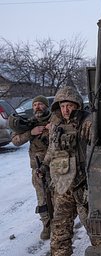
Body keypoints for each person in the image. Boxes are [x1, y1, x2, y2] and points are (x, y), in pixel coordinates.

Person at [39, 86, 92, 256]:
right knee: (59, 223)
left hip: (83, 184)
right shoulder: (56, 125)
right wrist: (44, 167)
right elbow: (52, 151)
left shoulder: (87, 123)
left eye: (69, 105)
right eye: (62, 106)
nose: (66, 110)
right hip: (62, 184)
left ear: (77, 105)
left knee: (92, 224)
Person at [9, 95, 52, 240]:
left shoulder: (54, 120)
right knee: (42, 198)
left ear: (46, 106)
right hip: (37, 169)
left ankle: (61, 225)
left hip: (56, 167)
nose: (37, 107)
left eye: (40, 104)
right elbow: (15, 141)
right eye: (35, 105)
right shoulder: (28, 123)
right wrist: (31, 133)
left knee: (59, 197)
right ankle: (47, 225)